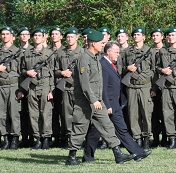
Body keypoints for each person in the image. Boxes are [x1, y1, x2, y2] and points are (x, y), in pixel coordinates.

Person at [65, 31, 135, 165]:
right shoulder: (83, 59)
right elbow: (85, 83)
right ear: (93, 44)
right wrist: (93, 100)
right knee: (80, 128)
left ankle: (118, 153)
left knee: (107, 126)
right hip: (86, 102)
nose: (103, 46)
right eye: (101, 43)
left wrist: (99, 100)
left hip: (98, 101)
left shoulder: (96, 58)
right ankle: (72, 157)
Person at [83, 41, 152, 162]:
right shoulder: (103, 65)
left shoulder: (109, 64)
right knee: (96, 131)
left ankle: (137, 152)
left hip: (115, 103)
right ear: (108, 52)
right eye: (116, 52)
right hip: (107, 103)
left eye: (119, 52)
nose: (118, 55)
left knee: (120, 129)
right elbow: (102, 88)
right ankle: (88, 156)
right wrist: (107, 105)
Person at [154, 27, 176, 150]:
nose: (170, 37)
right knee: (167, 113)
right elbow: (157, 66)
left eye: (173, 35)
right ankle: (172, 138)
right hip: (166, 87)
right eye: (168, 35)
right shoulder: (162, 51)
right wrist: (162, 70)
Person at [19, 28, 55, 150]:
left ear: (44, 37)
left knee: (46, 113)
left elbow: (53, 73)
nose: (37, 37)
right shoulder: (27, 53)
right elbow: (22, 70)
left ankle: (46, 139)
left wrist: (51, 90)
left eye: (39, 35)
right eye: (35, 35)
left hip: (45, 85)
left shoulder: (49, 53)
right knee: (33, 114)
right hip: (32, 86)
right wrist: (27, 72)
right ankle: (37, 138)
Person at [121, 27, 154, 150]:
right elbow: (121, 66)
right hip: (132, 86)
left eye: (139, 34)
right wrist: (127, 69)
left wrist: (153, 88)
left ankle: (146, 138)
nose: (136, 36)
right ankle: (137, 137)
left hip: (145, 86)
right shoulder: (127, 51)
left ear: (144, 37)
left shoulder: (150, 51)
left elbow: (154, 69)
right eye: (134, 35)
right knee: (133, 113)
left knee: (146, 112)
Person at [0, 26, 23, 150]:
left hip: (14, 86)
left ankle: (15, 139)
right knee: (1, 114)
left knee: (14, 113)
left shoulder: (19, 51)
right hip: (0, 86)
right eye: (3, 34)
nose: (5, 36)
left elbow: (23, 71)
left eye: (7, 34)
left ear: (12, 36)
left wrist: (21, 89)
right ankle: (5, 138)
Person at [54, 27, 83, 148]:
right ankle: (69, 138)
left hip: (78, 88)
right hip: (66, 88)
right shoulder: (61, 52)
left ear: (77, 37)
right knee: (66, 115)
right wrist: (62, 73)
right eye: (68, 37)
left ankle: (78, 139)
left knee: (79, 114)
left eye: (72, 36)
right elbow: (55, 70)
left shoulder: (82, 52)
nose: (70, 39)